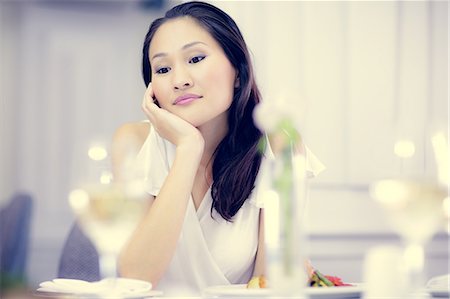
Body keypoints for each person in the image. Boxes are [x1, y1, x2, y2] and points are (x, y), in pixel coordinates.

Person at [112, 1, 324, 295]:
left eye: (196, 59)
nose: (180, 80)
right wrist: (187, 148)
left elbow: (271, 282)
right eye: (162, 68)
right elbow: (136, 277)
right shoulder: (134, 143)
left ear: (237, 71)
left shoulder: (277, 144)